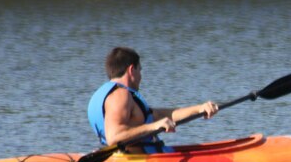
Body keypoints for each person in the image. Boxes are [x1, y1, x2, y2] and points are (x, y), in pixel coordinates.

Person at [87, 47, 218, 153]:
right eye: (140, 70)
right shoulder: (120, 95)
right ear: (132, 70)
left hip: (127, 160)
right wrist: (154, 126)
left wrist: (200, 109)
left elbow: (161, 115)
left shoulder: (106, 94)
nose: (141, 76)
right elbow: (114, 137)